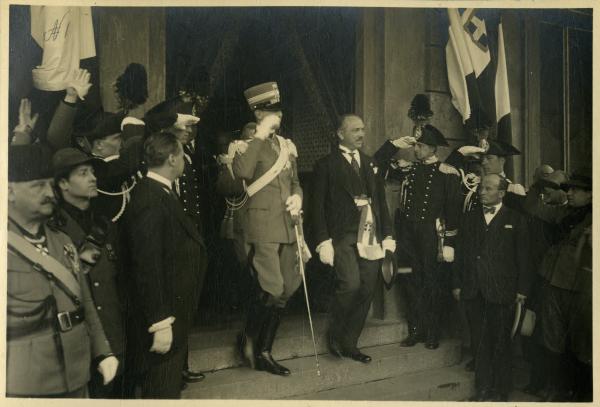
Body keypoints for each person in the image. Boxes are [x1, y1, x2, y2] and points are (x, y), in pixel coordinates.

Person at [7, 144, 118, 397]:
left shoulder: (62, 241)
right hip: (26, 382)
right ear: (9, 191)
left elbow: (86, 303)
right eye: (38, 186)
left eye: (50, 184)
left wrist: (103, 352)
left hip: (76, 373)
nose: (50, 193)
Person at [121, 132, 207, 398]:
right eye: (182, 155)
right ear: (172, 159)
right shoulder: (150, 197)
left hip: (174, 312)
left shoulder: (159, 191)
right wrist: (160, 321)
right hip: (165, 317)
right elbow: (147, 264)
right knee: (161, 391)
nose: (184, 161)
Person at [312, 114, 395, 363]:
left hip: (370, 236)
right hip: (341, 236)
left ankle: (351, 343)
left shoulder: (370, 164)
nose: (361, 134)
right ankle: (335, 335)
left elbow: (380, 202)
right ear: (340, 133)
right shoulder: (325, 165)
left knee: (368, 287)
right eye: (355, 130)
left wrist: (388, 235)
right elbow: (316, 207)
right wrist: (323, 240)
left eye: (363, 129)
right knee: (350, 284)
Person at [233, 81, 303, 376]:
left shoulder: (286, 145)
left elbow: (295, 181)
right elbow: (242, 173)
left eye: (279, 109)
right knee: (272, 288)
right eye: (273, 110)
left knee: (287, 289)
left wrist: (299, 197)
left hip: (288, 225)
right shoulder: (249, 145)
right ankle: (255, 344)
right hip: (261, 226)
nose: (279, 115)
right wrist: (259, 136)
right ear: (259, 113)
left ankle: (259, 345)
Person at [373, 125, 462, 349]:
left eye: (420, 146)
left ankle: (432, 331)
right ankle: (416, 330)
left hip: (432, 234)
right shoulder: (408, 169)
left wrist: (450, 242)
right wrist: (392, 146)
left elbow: (453, 210)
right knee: (409, 281)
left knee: (431, 282)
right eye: (415, 145)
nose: (415, 150)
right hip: (408, 234)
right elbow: (374, 165)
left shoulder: (447, 173)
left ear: (432, 148)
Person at [50, 148, 127, 398]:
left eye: (92, 172)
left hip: (114, 336)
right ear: (63, 183)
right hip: (80, 343)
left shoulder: (105, 224)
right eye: (83, 173)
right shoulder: (51, 231)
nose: (93, 178)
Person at [452, 174, 533, 401]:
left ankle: (500, 391)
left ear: (501, 193)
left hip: (502, 291)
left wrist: (522, 291)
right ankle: (482, 390)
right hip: (474, 290)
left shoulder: (516, 219)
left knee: (500, 342)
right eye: (481, 188)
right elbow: (460, 254)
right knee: (479, 343)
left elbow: (524, 259)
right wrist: (457, 283)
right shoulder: (469, 218)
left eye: (488, 189)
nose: (481, 192)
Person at [532, 168, 593, 401]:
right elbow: (533, 207)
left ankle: (582, 392)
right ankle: (555, 388)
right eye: (570, 189)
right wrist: (543, 184)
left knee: (581, 341)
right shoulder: (562, 213)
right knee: (552, 336)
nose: (571, 193)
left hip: (581, 286)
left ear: (590, 195)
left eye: (577, 190)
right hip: (553, 280)